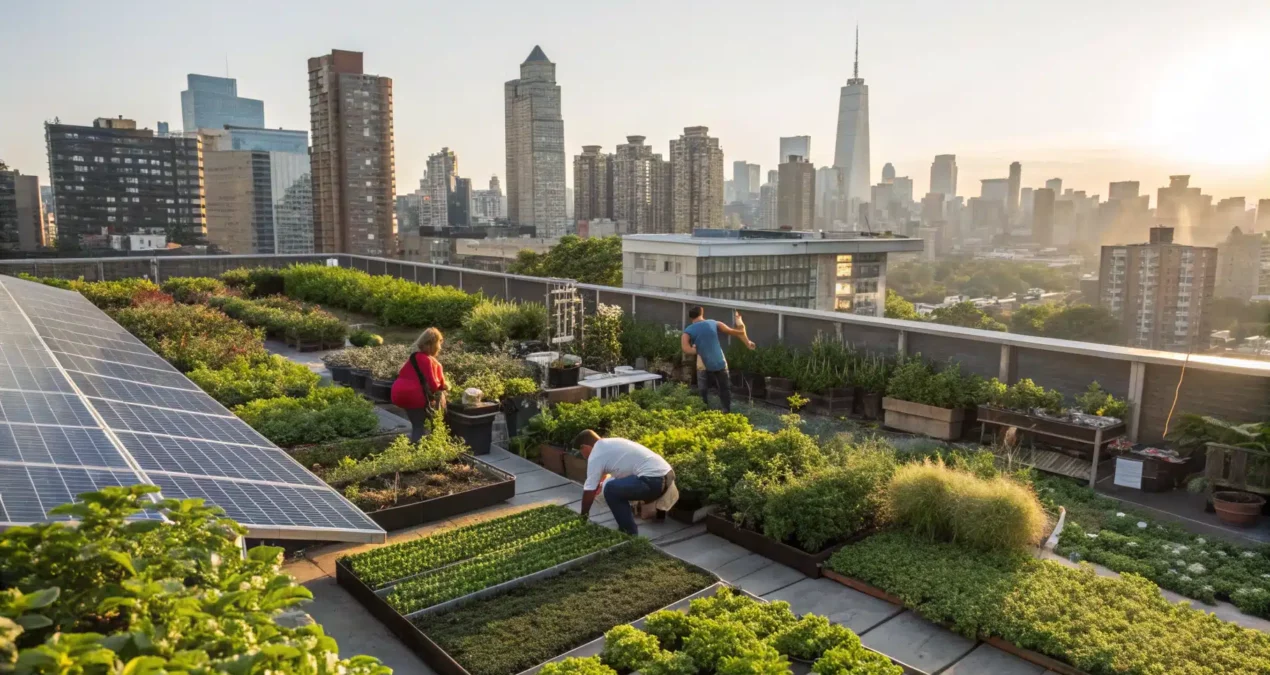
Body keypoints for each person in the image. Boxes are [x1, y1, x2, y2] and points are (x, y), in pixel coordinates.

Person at [576, 429, 677, 536]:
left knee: (610, 489)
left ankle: (629, 533)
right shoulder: (611, 443)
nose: (582, 455)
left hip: (653, 482)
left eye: (580, 451)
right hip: (667, 475)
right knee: (609, 483)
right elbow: (607, 469)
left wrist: (583, 516)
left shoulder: (595, 455)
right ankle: (651, 514)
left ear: (584, 447)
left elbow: (589, 490)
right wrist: (600, 483)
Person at [681, 307, 754, 413]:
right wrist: (741, 325)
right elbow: (736, 332)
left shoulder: (687, 331)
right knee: (724, 387)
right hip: (719, 359)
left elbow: (685, 348)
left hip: (702, 362)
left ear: (690, 317)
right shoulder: (713, 323)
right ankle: (726, 410)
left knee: (703, 389)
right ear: (702, 313)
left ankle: (703, 410)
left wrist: (696, 350)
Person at [390, 327, 448, 442]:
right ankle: (417, 454)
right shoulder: (427, 360)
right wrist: (444, 387)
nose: (440, 347)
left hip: (398, 393)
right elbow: (434, 385)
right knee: (419, 427)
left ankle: (419, 447)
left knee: (417, 423)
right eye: (439, 343)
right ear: (432, 344)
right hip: (413, 396)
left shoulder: (414, 356)